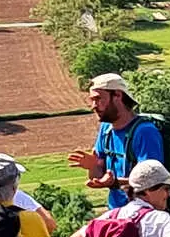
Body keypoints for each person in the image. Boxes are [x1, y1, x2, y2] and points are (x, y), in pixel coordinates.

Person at [66, 74, 163, 210]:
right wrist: (93, 166)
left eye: (98, 99)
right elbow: (98, 173)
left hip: (144, 216)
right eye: (92, 100)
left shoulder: (145, 132)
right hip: (116, 212)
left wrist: (114, 182)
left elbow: (151, 180)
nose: (94, 106)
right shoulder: (106, 129)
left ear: (118, 95)